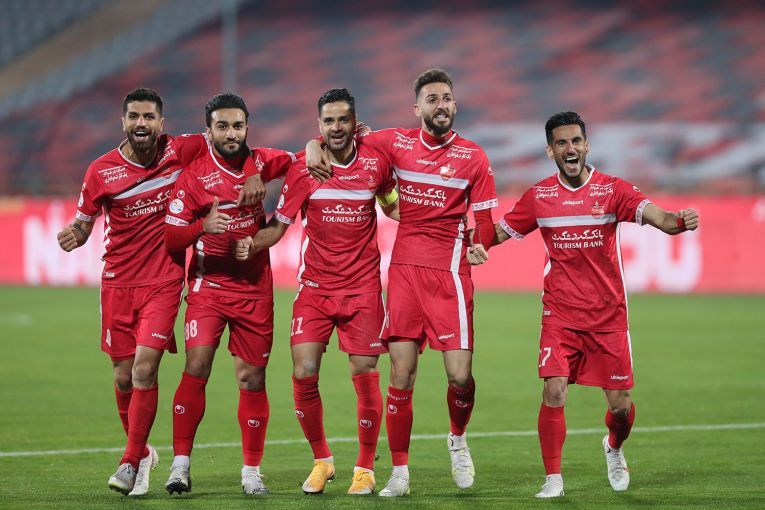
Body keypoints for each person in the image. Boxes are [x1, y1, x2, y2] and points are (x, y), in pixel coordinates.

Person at [468, 111, 700, 498]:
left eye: (576, 141)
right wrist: (469, 241)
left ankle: (614, 445)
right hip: (559, 313)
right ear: (550, 151)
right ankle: (553, 479)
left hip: (608, 316)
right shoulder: (540, 197)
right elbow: (499, 233)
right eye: (561, 143)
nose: (570, 148)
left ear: (587, 145)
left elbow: (661, 218)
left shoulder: (612, 190)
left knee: (620, 405)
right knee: (554, 390)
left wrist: (679, 221)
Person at [56, 88, 264, 496]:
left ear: (161, 123)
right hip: (117, 282)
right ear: (123, 121)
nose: (142, 124)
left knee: (144, 369)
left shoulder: (181, 149)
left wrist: (254, 170)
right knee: (123, 377)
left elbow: (233, 141)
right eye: (134, 116)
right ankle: (144, 453)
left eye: (149, 117)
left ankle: (129, 461)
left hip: (164, 281)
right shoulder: (100, 171)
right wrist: (75, 235)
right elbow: (83, 222)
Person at [307, 68, 499, 496]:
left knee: (460, 376)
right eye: (432, 99)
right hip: (405, 273)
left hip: (450, 274)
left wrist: (480, 243)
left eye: (446, 98)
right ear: (417, 109)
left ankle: (457, 439)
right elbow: (339, 136)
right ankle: (399, 471)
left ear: (455, 104)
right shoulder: (394, 142)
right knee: (401, 375)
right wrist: (311, 146)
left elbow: (485, 220)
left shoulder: (474, 156)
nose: (441, 105)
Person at [235, 88, 399, 495]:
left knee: (365, 371)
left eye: (343, 119)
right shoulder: (303, 169)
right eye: (328, 121)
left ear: (355, 122)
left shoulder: (375, 163)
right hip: (315, 288)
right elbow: (279, 226)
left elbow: (392, 205)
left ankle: (365, 468)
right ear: (319, 125)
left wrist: (437, 218)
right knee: (304, 371)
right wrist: (251, 243)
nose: (335, 127)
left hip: (362, 288)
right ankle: (322, 460)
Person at [162, 92, 297, 496]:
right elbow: (171, 238)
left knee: (252, 378)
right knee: (197, 364)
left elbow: (303, 161)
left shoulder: (264, 161)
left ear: (247, 128)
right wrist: (202, 227)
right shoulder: (194, 177)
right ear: (208, 132)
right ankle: (180, 466)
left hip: (255, 290)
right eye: (222, 126)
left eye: (238, 125)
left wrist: (257, 173)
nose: (231, 133)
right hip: (210, 286)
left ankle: (251, 471)